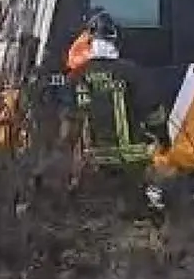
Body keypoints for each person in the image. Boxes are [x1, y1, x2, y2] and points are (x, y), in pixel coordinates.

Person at [70, 15, 165, 172]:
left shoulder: (77, 76)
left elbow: (68, 122)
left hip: (94, 164)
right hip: (133, 160)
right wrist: (163, 138)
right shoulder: (131, 72)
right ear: (115, 41)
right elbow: (153, 113)